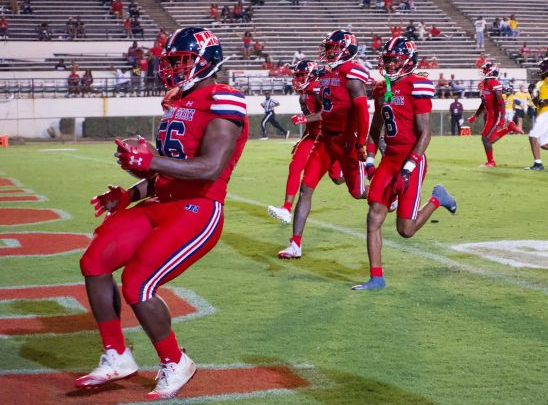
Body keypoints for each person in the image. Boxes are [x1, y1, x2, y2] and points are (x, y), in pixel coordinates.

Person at [76, 27, 249, 400]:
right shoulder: (178, 100)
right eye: (171, 61)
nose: (173, 68)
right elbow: (167, 171)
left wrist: (150, 159)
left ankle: (175, 362)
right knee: (94, 261)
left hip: (197, 209)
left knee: (138, 283)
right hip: (160, 202)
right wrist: (128, 194)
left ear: (206, 60)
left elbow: (209, 168)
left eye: (181, 60)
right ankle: (116, 354)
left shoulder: (224, 98)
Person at [354, 37, 457, 290]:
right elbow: (375, 129)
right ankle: (376, 278)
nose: (389, 66)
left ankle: (437, 199)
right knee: (373, 217)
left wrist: (409, 169)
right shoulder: (381, 89)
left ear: (408, 61)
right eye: (387, 61)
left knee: (406, 230)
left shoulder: (417, 84)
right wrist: (369, 158)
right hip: (389, 159)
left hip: (411, 159)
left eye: (394, 61)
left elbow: (425, 134)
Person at [277, 30, 370, 259]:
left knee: (358, 192)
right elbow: (324, 109)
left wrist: (360, 142)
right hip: (325, 138)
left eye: (333, 48)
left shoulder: (352, 72)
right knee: (306, 187)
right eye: (327, 48)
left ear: (346, 50)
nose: (328, 52)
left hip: (346, 139)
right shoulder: (328, 74)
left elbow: (362, 110)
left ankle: (388, 195)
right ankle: (295, 244)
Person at [267, 60, 344, 224]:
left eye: (302, 75)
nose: (298, 78)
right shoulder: (304, 91)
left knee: (337, 177)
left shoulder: (317, 87)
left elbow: (327, 112)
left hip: (327, 136)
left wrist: (304, 118)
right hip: (313, 135)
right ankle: (286, 209)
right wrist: (303, 138)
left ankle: (363, 177)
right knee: (295, 166)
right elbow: (312, 122)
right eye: (297, 75)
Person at [467, 61, 524, 167]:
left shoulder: (494, 83)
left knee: (485, 138)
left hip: (495, 115)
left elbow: (500, 101)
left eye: (485, 69)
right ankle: (509, 127)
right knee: (489, 139)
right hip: (490, 115)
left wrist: (502, 117)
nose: (483, 71)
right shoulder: (484, 84)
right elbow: (483, 103)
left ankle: (491, 162)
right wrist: (475, 116)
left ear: (491, 71)